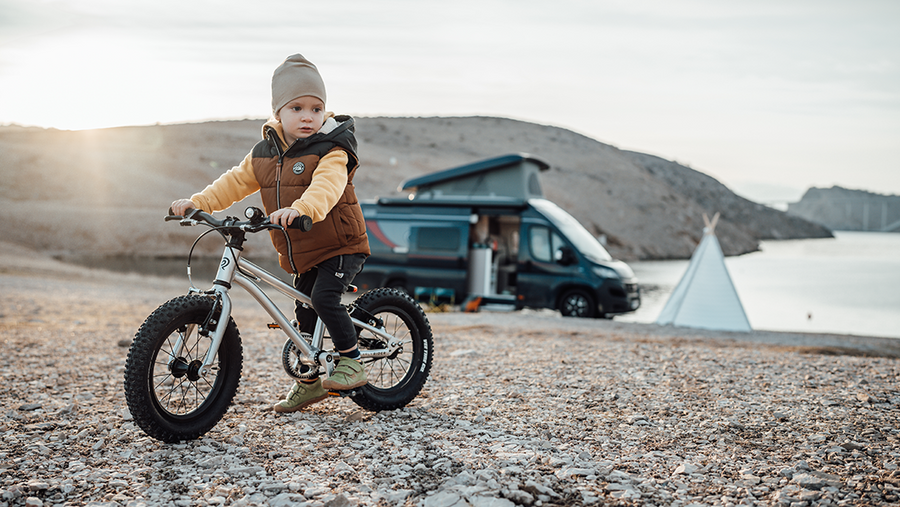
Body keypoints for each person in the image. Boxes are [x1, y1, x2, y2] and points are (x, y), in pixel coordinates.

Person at [170, 54, 370, 413]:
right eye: (296, 108)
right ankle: (309, 383)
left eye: (316, 108)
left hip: (340, 243)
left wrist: (302, 209)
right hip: (304, 250)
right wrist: (198, 202)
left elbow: (327, 186)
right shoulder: (264, 152)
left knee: (324, 300)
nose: (308, 116)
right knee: (305, 314)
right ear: (278, 112)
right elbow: (234, 181)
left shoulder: (334, 148)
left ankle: (352, 360)